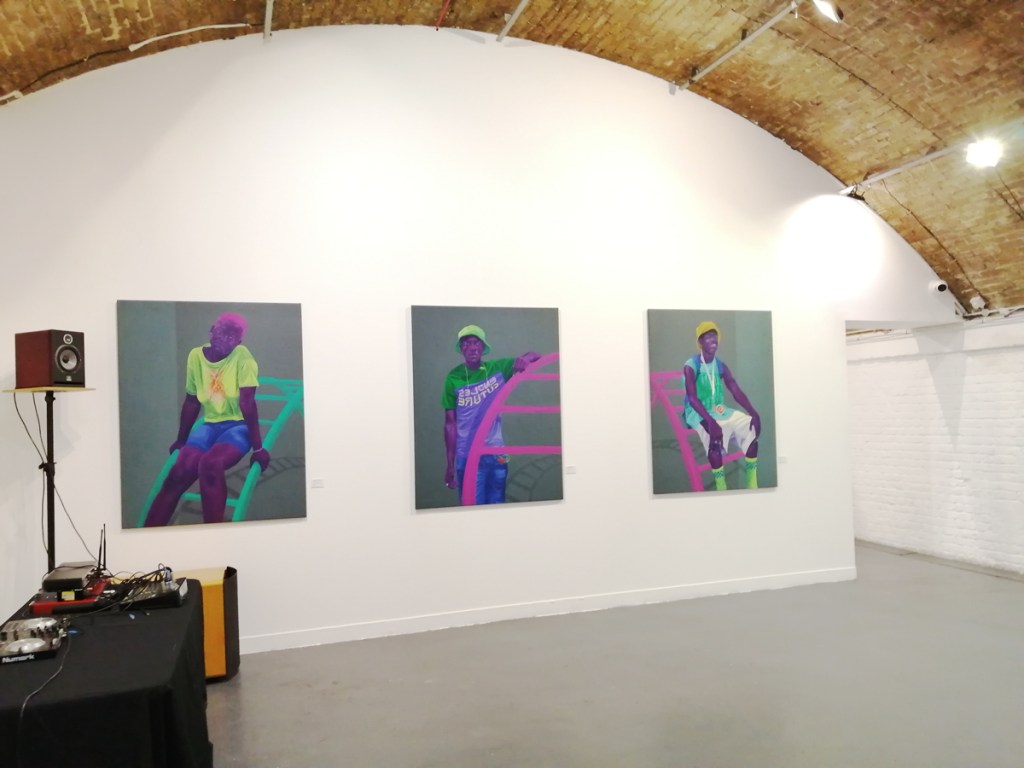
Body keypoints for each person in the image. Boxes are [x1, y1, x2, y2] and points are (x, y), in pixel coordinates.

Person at [144, 312, 271, 525]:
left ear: (238, 342)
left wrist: (258, 449)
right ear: (212, 331)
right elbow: (192, 401)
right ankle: (149, 532)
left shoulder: (243, 358)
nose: (225, 340)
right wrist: (181, 439)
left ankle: (215, 532)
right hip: (209, 425)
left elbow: (247, 403)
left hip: (238, 427)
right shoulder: (195, 356)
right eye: (222, 333)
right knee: (179, 472)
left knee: (210, 464)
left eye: (232, 337)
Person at [443, 324, 540, 505]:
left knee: (497, 508)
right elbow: (450, 424)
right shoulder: (453, 378)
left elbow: (535, 356)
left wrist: (525, 358)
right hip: (467, 455)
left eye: (476, 342)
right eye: (467, 343)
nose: (472, 347)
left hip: (496, 454)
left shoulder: (497, 369)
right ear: (461, 348)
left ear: (483, 347)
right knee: (472, 509)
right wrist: (450, 464)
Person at [682, 321, 761, 491]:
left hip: (719, 410)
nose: (713, 340)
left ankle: (752, 483)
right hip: (698, 412)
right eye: (708, 336)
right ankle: (721, 485)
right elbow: (692, 399)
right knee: (713, 437)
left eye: (715, 335)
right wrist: (710, 421)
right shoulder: (691, 365)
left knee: (751, 427)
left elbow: (735, 390)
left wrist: (753, 413)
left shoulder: (720, 365)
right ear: (700, 342)